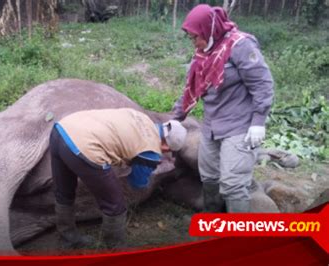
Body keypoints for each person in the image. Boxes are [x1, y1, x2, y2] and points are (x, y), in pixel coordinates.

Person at [170, 4, 274, 213]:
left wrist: (258, 122)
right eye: (191, 38)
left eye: (196, 37)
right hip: (212, 125)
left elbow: (262, 84)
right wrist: (175, 116)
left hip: (239, 125)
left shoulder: (240, 46)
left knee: (233, 184)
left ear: (209, 29)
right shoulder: (203, 53)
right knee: (209, 177)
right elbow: (192, 88)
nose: (195, 43)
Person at [49, 108, 187, 249]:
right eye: (167, 151)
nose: (164, 152)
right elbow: (136, 183)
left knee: (64, 191)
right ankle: (115, 248)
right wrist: (147, 174)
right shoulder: (151, 152)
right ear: (166, 145)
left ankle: (68, 238)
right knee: (115, 205)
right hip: (84, 148)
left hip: (61, 130)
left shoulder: (142, 118)